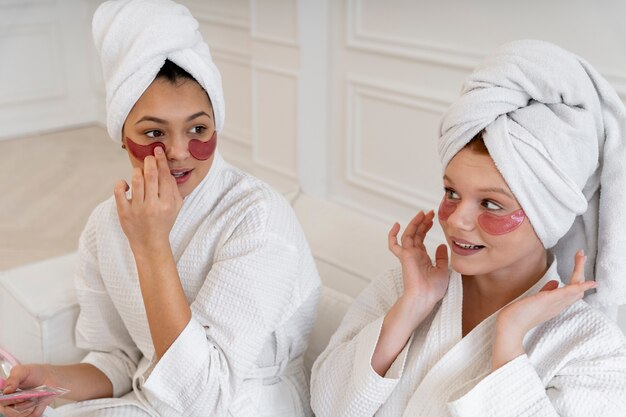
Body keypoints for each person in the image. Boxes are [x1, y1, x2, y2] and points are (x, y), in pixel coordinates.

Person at [1, 1, 321, 416]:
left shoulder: (257, 218)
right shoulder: (105, 225)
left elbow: (204, 398)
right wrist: (51, 382)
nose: (178, 152)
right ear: (121, 135)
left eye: (198, 129)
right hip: (156, 400)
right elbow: (117, 359)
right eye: (154, 131)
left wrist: (151, 246)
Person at [311, 40, 626, 416]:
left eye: (491, 204)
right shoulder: (404, 287)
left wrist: (509, 339)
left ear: (550, 216)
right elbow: (327, 406)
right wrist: (411, 307)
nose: (456, 220)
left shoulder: (590, 347)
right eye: (451, 192)